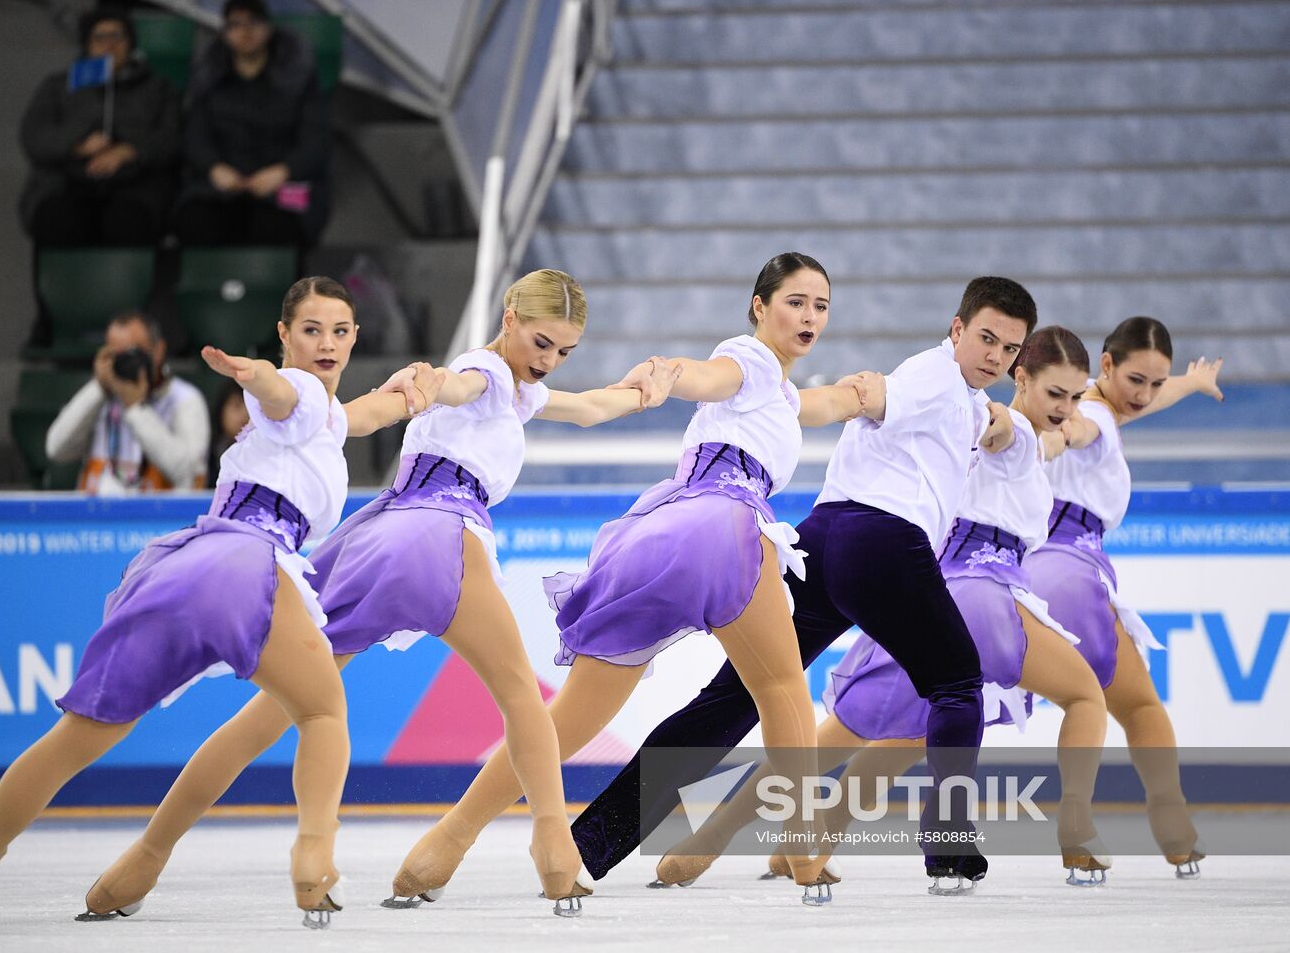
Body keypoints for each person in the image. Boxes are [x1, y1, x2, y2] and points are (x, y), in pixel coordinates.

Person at [79, 269, 681, 918]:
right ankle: (554, 854)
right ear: (508, 318)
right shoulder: (486, 373)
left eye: (563, 351)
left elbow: (584, 407)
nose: (549, 361)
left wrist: (641, 391)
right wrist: (430, 381)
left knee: (271, 715)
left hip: (377, 540)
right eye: (542, 343)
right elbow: (459, 383)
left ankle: (142, 861)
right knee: (520, 699)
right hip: (443, 536)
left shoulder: (519, 387)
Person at [0, 276, 443, 933]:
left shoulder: (328, 419)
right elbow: (282, 393)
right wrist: (255, 374)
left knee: (83, 733)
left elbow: (369, 412)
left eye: (339, 330)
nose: (327, 343)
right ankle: (313, 864)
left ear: (356, 336)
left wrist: (421, 387)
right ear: (283, 335)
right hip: (250, 567)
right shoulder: (295, 392)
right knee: (323, 708)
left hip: (187, 564)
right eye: (311, 329)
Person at [380, 252, 872, 908]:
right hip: (725, 529)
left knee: (568, 719)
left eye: (821, 305)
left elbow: (826, 402)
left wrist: (889, 396)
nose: (810, 315)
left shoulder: (778, 395)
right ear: (759, 307)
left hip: (660, 538)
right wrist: (671, 373)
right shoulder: (748, 362)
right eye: (796, 301)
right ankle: (805, 852)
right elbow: (710, 374)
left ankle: (443, 846)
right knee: (781, 685)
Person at [570, 276, 1039, 895]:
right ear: (956, 330)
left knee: (732, 700)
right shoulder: (932, 377)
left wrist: (1012, 425)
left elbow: (991, 427)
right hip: (882, 543)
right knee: (956, 684)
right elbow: (854, 401)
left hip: (823, 540)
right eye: (985, 338)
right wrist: (807, 397)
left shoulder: (968, 401)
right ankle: (949, 850)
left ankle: (596, 839)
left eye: (1009, 350)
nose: (994, 356)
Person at [653, 326, 1113, 888]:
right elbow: (1004, 428)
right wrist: (994, 417)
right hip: (975, 592)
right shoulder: (997, 421)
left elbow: (1055, 436)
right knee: (1083, 694)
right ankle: (1072, 833)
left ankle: (725, 840)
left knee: (873, 736)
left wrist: (1118, 409)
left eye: (1074, 397)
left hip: (921, 586)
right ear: (1019, 377)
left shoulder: (993, 429)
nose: (1065, 410)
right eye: (1054, 395)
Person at [1026, 318, 1224, 879]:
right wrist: (1056, 438)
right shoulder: (1085, 415)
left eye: (1156, 384)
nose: (1145, 395)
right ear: (1104, 366)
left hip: (1016, 572)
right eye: (1137, 379)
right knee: (1136, 707)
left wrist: (1189, 383)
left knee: (911, 718)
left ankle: (799, 828)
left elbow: (1125, 409)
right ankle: (1170, 825)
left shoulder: (1108, 407)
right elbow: (1081, 428)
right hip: (1070, 572)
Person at [174, 0, 328, 248]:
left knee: (278, 227)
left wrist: (283, 171)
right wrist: (214, 168)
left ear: (268, 28)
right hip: (218, 188)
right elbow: (195, 137)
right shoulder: (207, 80)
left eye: (253, 22)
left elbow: (315, 141)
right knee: (196, 221)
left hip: (284, 186)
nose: (245, 32)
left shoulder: (299, 79)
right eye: (235, 24)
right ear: (224, 33)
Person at [19, 7, 181, 246]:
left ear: (130, 44)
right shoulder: (57, 86)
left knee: (128, 221)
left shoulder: (158, 88)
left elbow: (172, 139)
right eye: (100, 37)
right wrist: (77, 147)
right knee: (59, 220)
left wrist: (129, 152)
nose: (109, 45)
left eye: (117, 36)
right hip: (66, 184)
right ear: (87, 45)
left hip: (135, 185)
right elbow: (35, 138)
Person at [45, 310, 210, 494]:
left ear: (158, 350)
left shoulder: (185, 399)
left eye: (133, 353)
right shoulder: (100, 396)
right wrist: (98, 388)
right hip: (95, 517)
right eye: (116, 355)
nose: (125, 363)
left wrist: (136, 409)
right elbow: (56, 449)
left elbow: (188, 472)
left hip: (158, 519)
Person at [208, 383, 250, 485]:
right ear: (221, 411)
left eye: (250, 407)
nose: (245, 414)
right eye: (237, 405)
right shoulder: (208, 451)